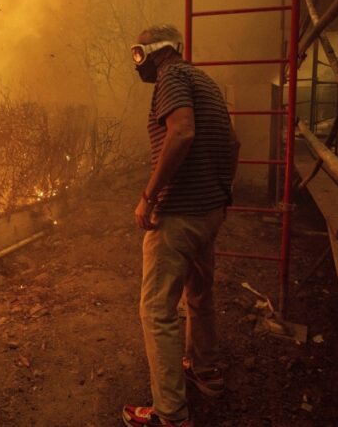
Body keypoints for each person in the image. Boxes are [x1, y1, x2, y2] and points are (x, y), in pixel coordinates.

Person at [121, 24, 239, 427]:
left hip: (178, 218)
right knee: (199, 295)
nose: (137, 64)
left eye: (137, 55)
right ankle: (206, 372)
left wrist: (149, 195)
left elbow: (182, 132)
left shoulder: (170, 77)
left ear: (152, 52)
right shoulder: (204, 80)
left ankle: (170, 414)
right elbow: (234, 143)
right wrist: (222, 191)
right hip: (209, 212)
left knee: (157, 311)